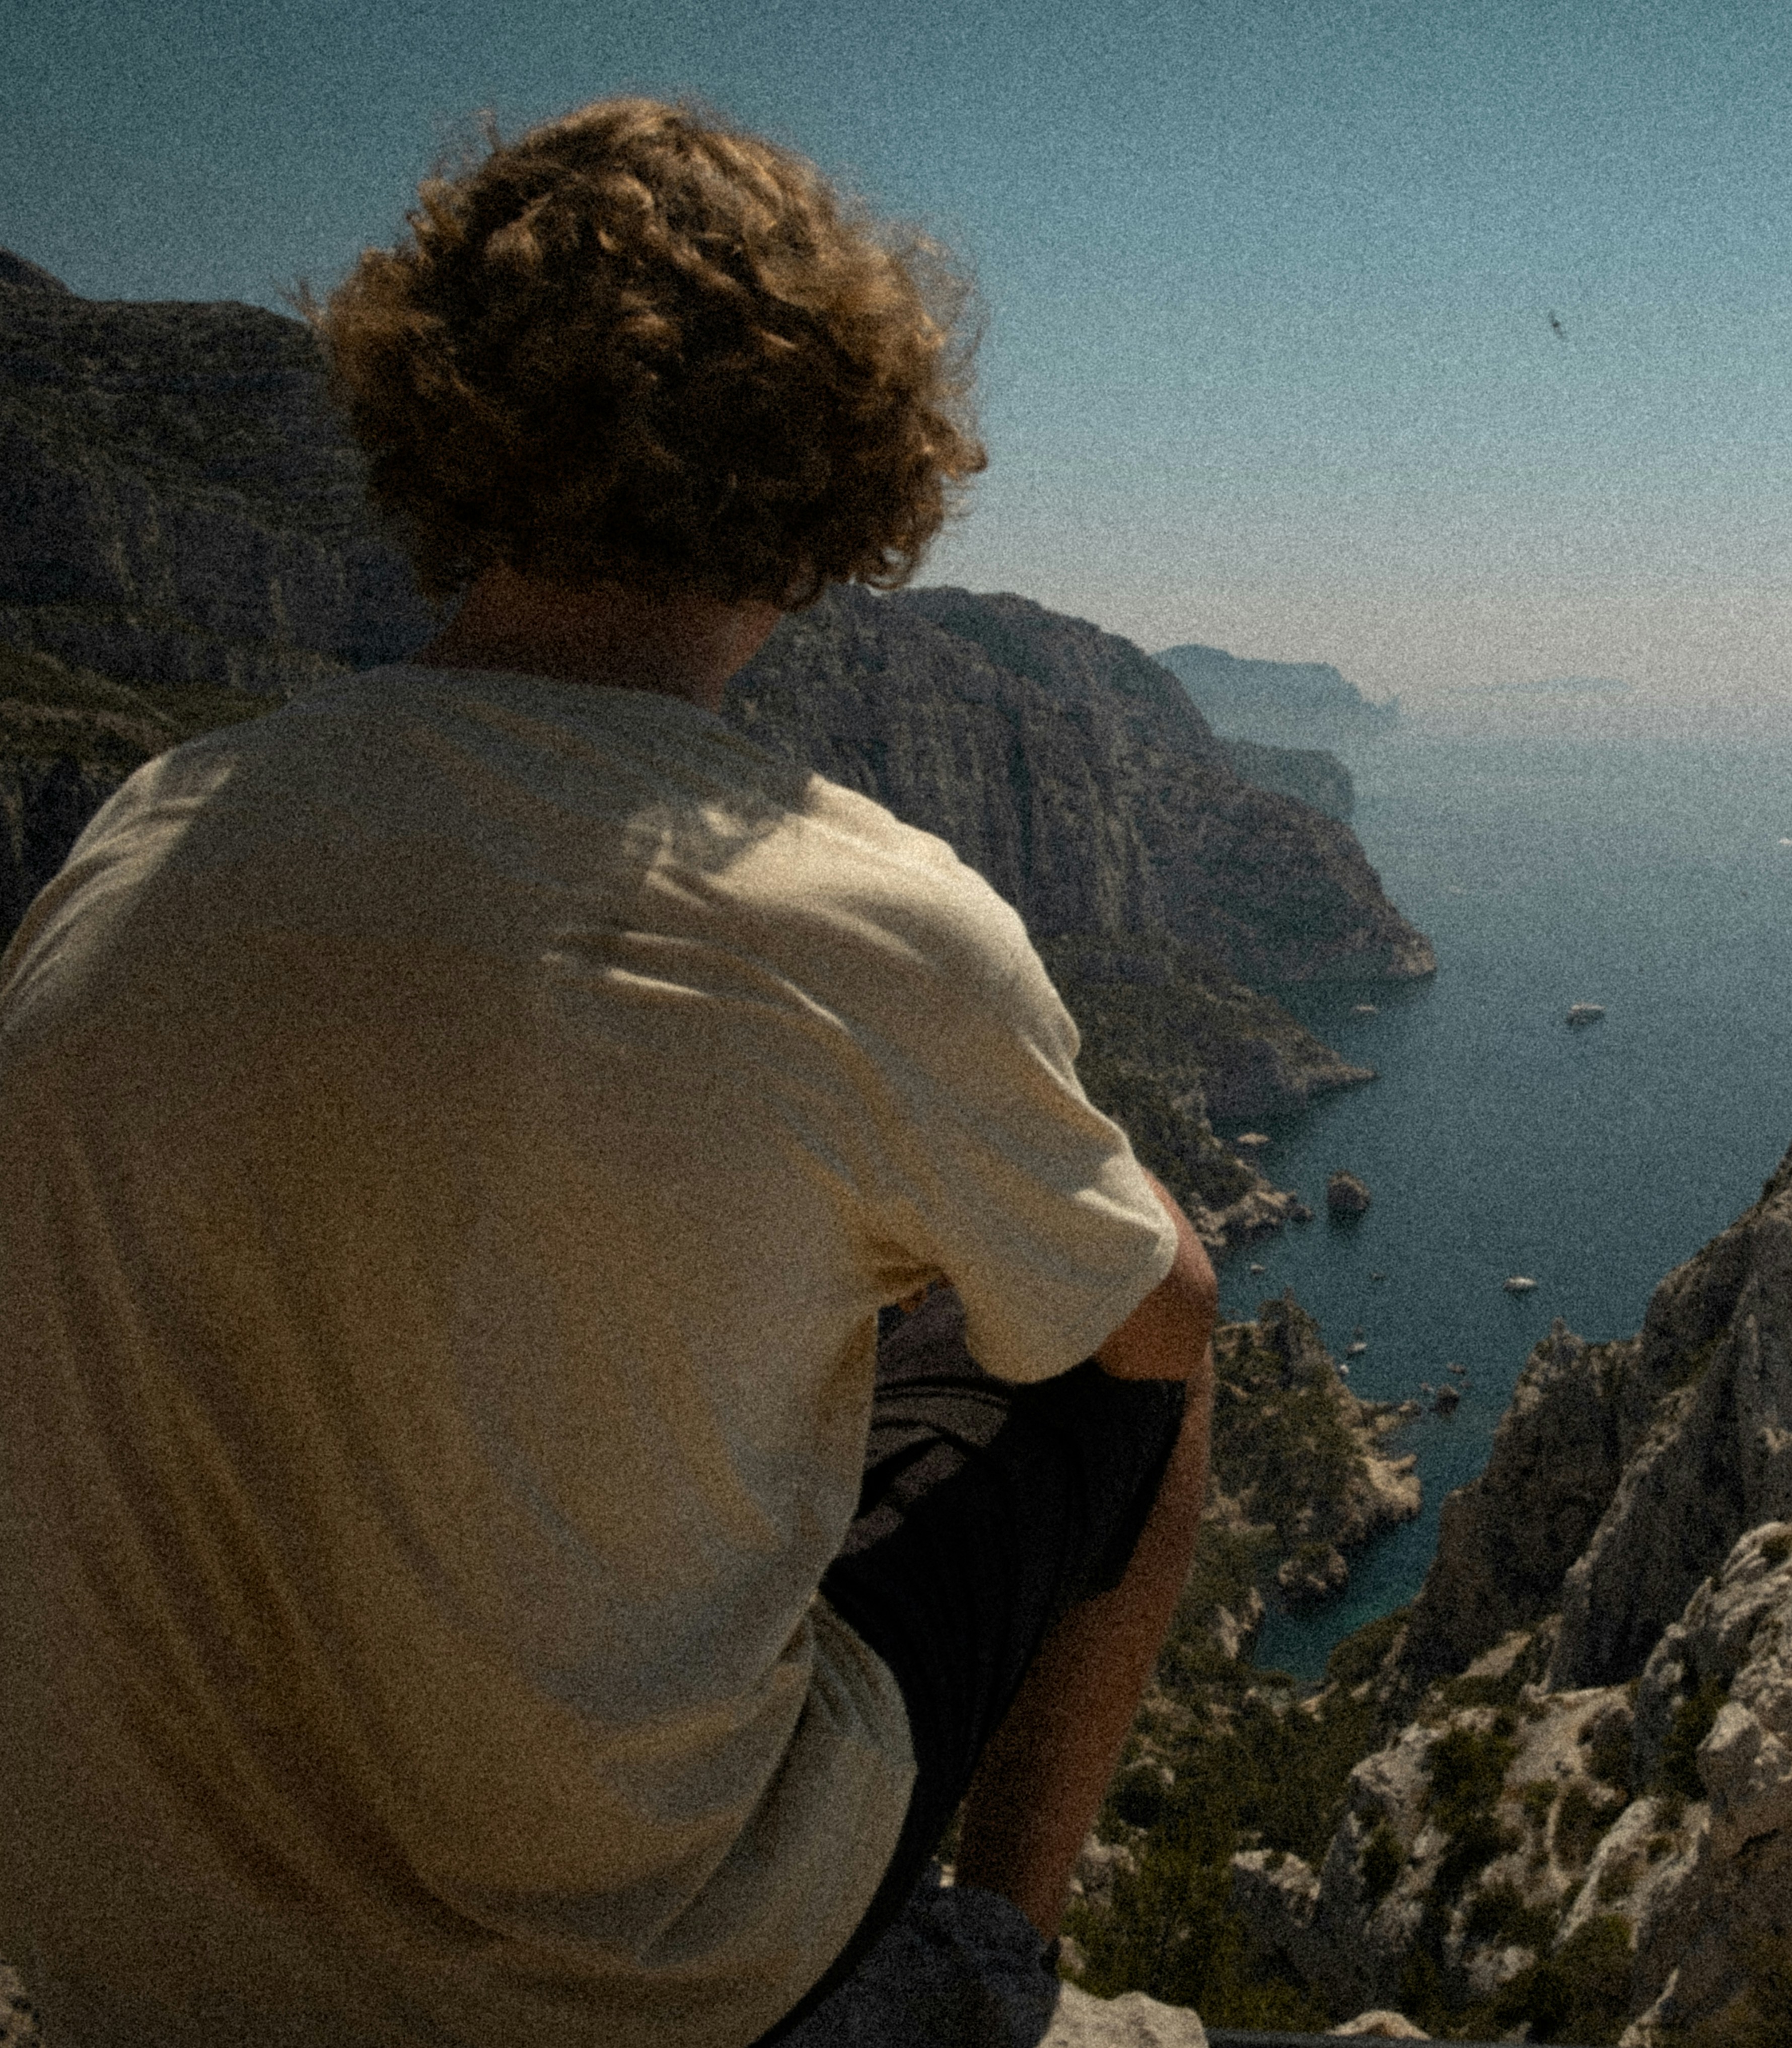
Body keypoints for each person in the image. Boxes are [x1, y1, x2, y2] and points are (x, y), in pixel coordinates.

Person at [0, 98, 1216, 2046]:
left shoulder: (149, 827)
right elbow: (1148, 1319)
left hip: (125, 1961)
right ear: (850, 457)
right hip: (625, 1982)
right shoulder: (856, 910)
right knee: (1146, 1309)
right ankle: (993, 1963)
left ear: (437, 421)